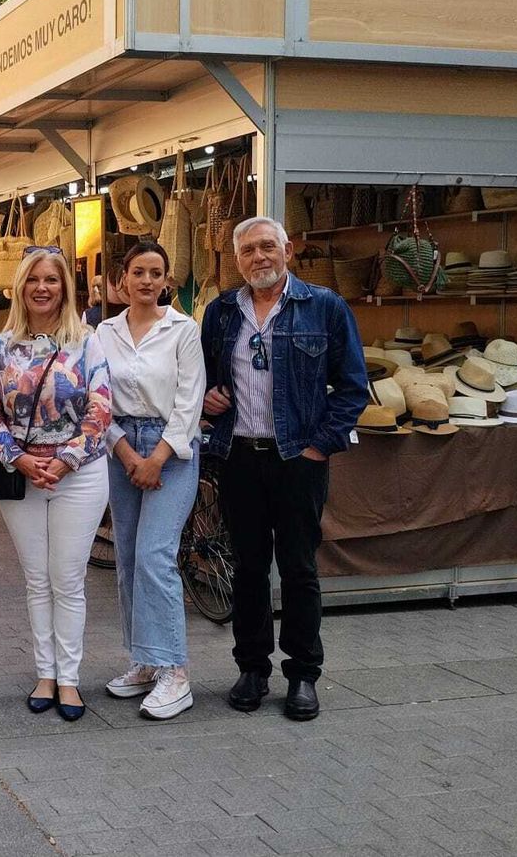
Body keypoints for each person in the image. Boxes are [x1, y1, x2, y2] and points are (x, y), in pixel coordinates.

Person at [201, 216, 368, 722]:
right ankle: (252, 668)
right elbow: (206, 378)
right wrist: (206, 398)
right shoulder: (221, 313)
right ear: (237, 259)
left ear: (288, 251)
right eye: (248, 250)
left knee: (299, 568)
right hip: (239, 458)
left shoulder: (325, 307)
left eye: (267, 247)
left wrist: (319, 446)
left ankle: (302, 675)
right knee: (248, 569)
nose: (259, 257)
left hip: (297, 458)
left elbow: (354, 386)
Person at [0, 246, 111, 722]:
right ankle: (45, 673)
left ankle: (71, 679)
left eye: (51, 279)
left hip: (78, 476)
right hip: (21, 477)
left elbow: (101, 406)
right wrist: (15, 456)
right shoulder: (1, 346)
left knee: (68, 580)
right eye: (33, 279)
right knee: (37, 580)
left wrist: (66, 459)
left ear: (65, 287)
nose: (42, 287)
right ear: (20, 287)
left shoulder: (88, 342)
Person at [94, 242, 205, 720]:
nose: (146, 280)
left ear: (166, 281)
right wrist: (124, 450)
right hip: (121, 445)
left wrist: (156, 458)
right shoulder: (104, 331)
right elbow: (99, 397)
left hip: (171, 447)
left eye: (155, 272)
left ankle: (176, 672)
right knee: (127, 557)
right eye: (138, 271)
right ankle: (144, 659)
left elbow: (190, 400)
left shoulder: (184, 330)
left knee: (156, 555)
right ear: (123, 279)